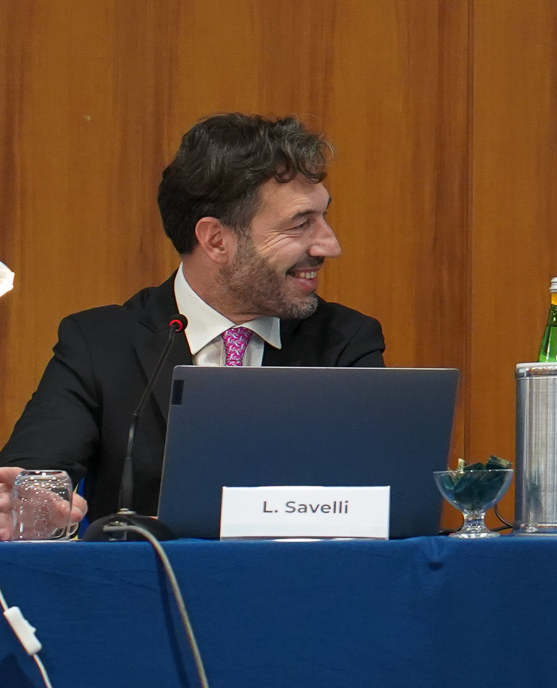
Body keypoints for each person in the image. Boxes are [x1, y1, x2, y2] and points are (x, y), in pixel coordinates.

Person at [1, 114, 384, 534]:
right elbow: (30, 479)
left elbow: (379, 499)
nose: (330, 244)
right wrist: (30, 506)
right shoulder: (100, 343)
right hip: (145, 575)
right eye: (300, 224)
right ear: (216, 240)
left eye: (323, 217)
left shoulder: (346, 342)